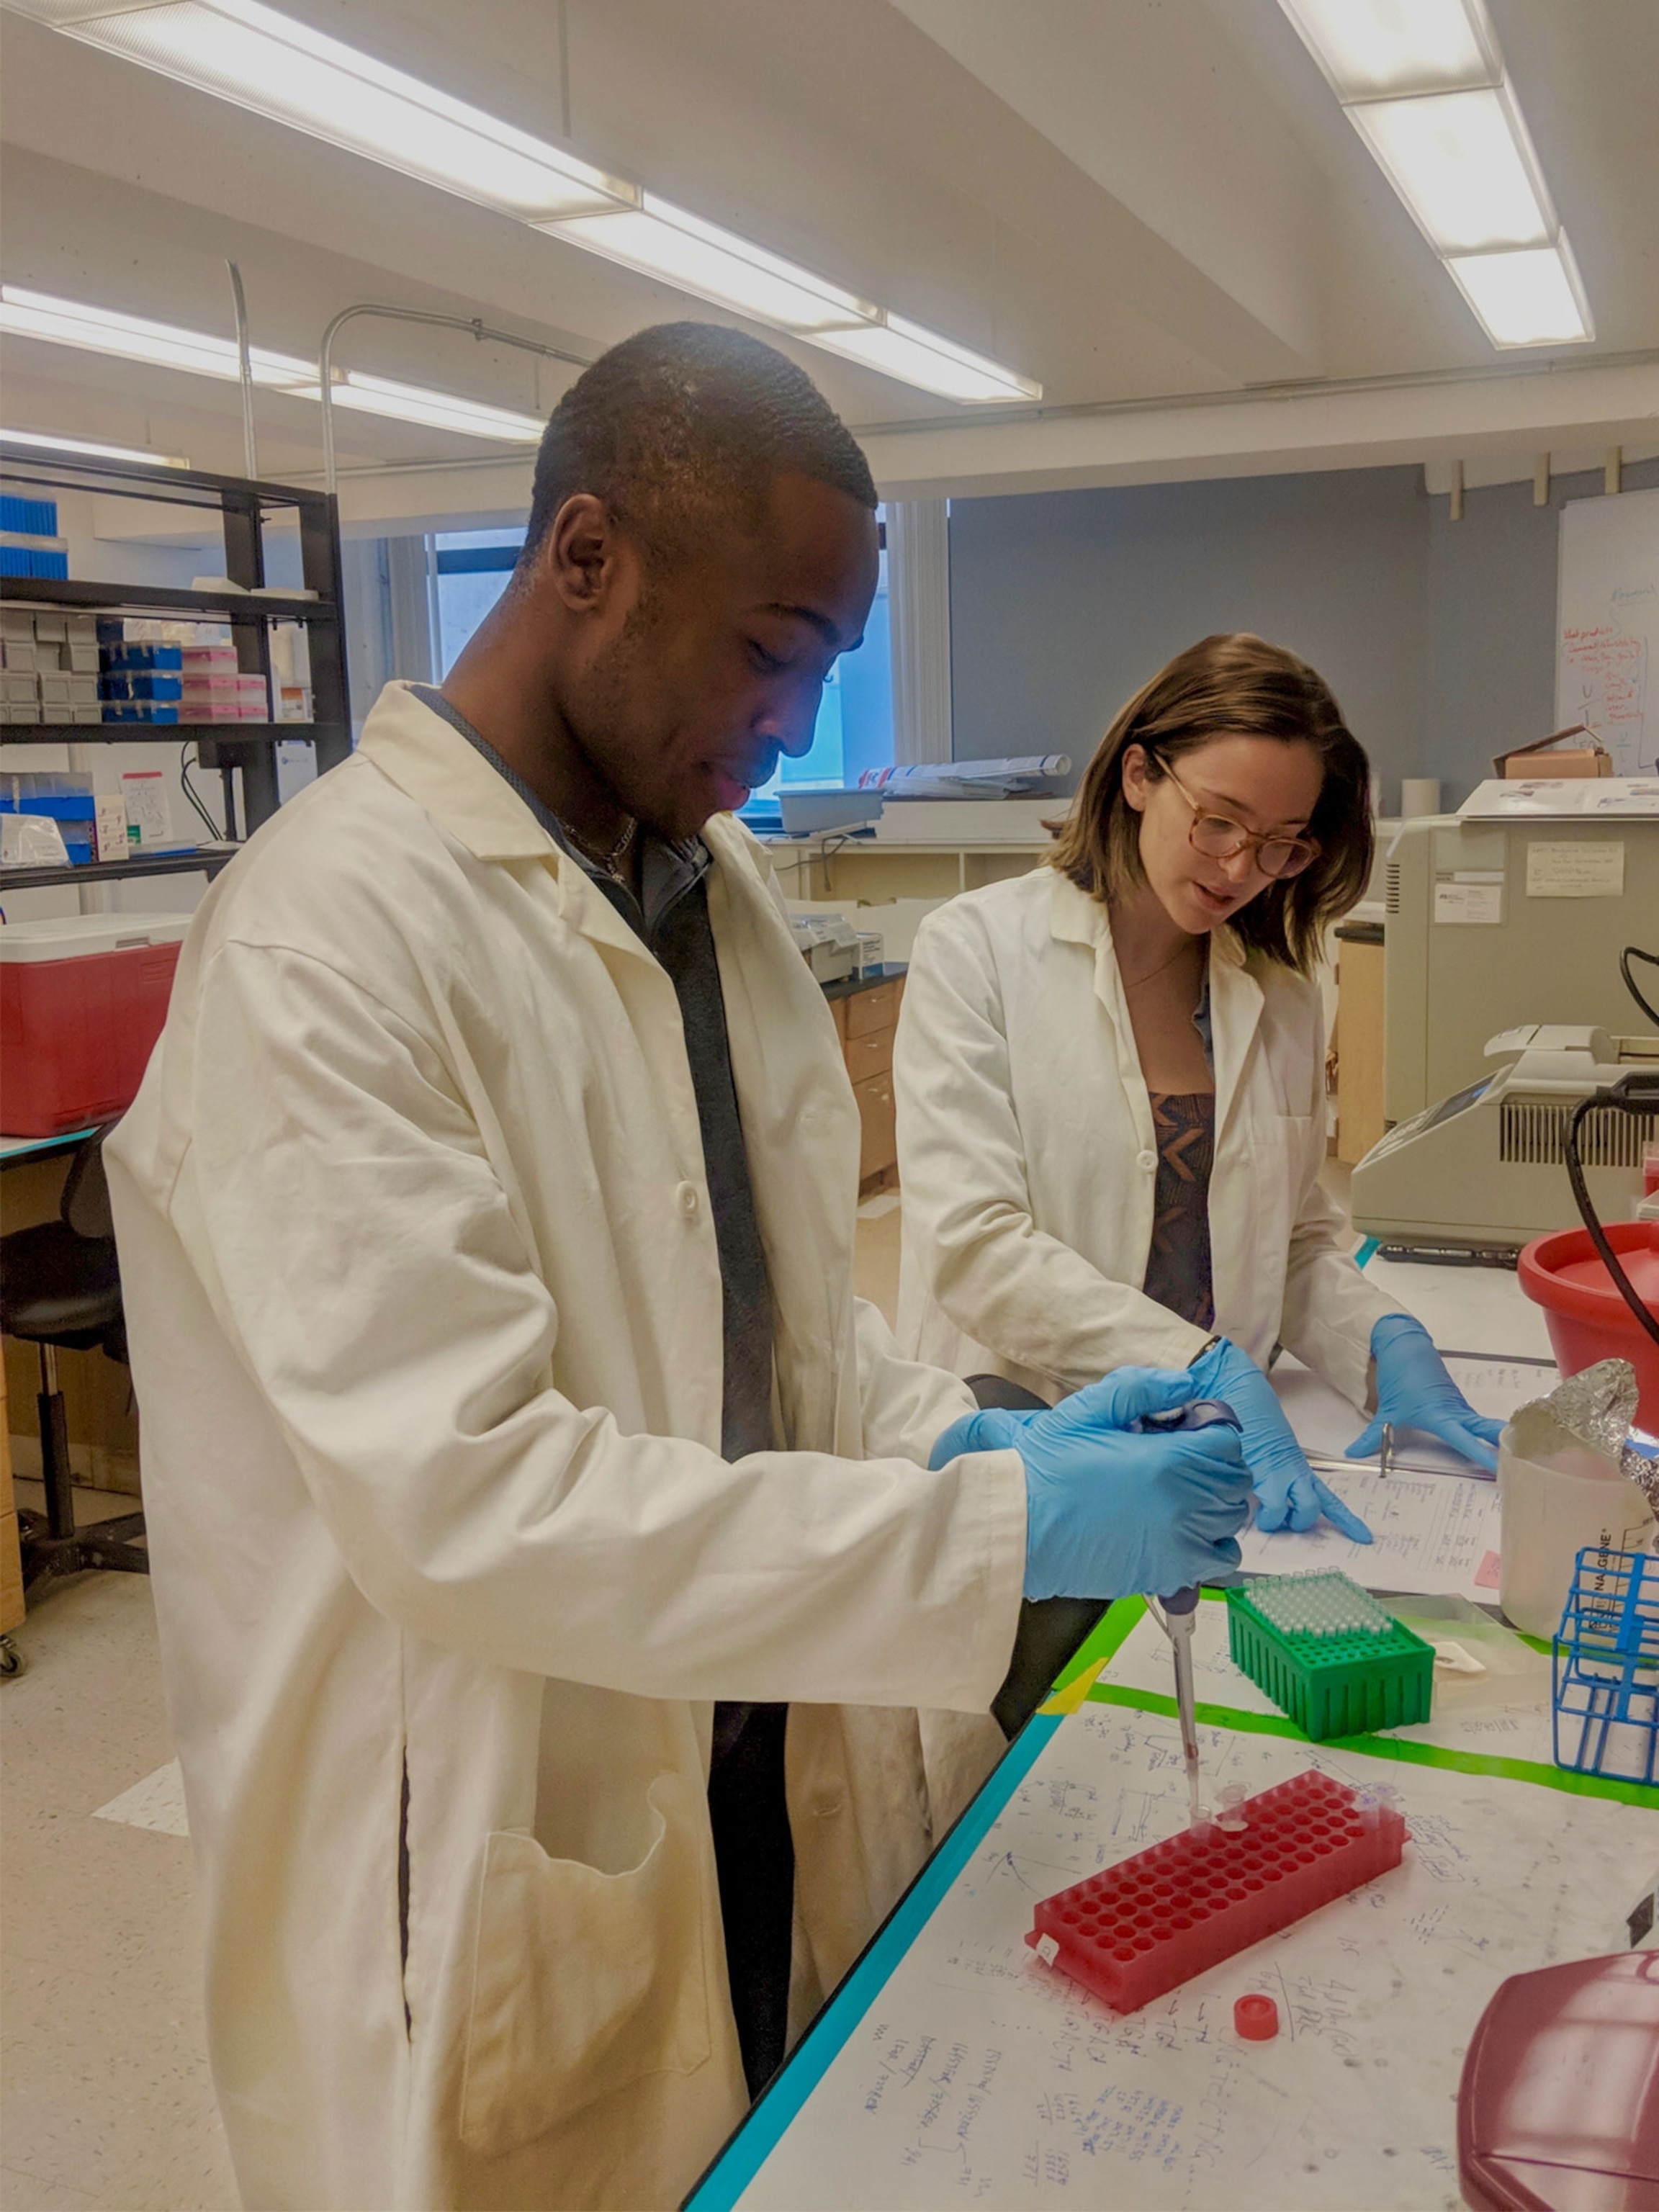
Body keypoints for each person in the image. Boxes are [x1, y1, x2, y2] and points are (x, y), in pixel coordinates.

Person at [106, 327, 1251, 2212]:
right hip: (491, 1814)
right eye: (774, 650)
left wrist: (972, 1438)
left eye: (826, 666)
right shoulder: (325, 940)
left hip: (761, 1730)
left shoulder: (709, 899)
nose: (798, 725)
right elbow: (473, 1503)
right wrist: (997, 1532)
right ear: (587, 559)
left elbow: (787, 1338)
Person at [894, 630, 1502, 1540]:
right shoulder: (975, 950)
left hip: (1221, 1449)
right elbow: (972, 1246)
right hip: (1030, 1434)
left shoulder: (1280, 993)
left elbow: (1290, 1242)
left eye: (1281, 844)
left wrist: (1382, 1343)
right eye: (1219, 822)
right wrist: (1195, 1361)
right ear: (1140, 776)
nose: (1240, 870)